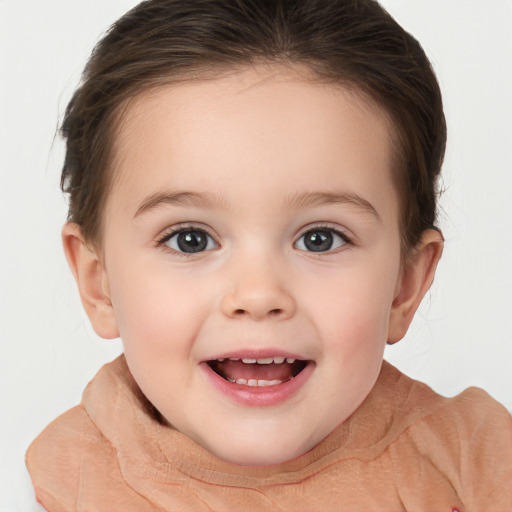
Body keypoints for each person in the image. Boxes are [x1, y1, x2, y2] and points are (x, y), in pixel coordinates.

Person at [25, 0, 512, 510]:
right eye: (190, 239)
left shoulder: (475, 464)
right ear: (98, 282)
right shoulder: (53, 484)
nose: (258, 295)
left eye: (320, 238)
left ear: (405, 284)